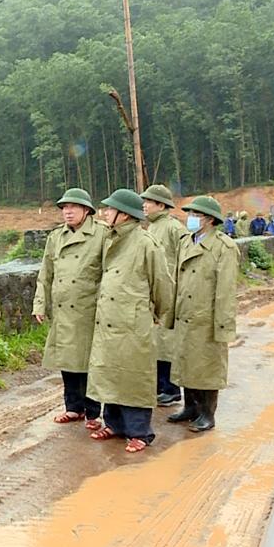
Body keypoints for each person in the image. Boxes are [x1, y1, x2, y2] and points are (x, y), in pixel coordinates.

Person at [87, 189, 174, 453]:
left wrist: (157, 315)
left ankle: (139, 432)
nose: (105, 213)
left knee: (134, 377)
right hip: (108, 320)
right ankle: (114, 424)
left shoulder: (145, 243)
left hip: (133, 322)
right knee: (110, 373)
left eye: (110, 209)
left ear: (124, 215)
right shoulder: (110, 239)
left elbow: (162, 285)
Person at [32, 188, 107, 431]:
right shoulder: (56, 236)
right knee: (67, 360)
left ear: (86, 210)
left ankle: (93, 412)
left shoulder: (102, 233)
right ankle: (73, 407)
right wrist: (40, 304)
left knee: (88, 362)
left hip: (88, 309)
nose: (68, 211)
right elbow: (46, 274)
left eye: (73, 207)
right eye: (64, 207)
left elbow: (110, 271)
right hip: (63, 310)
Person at [168, 196, 239, 432]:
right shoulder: (186, 242)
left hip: (206, 318)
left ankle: (207, 414)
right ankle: (190, 407)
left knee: (207, 367)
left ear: (209, 219)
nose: (190, 218)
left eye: (195, 214)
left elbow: (226, 291)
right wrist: (171, 314)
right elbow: (177, 280)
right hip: (185, 314)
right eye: (190, 214)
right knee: (187, 363)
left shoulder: (224, 247)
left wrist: (223, 326)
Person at [140, 184, 187, 406]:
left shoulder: (174, 228)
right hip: (155, 293)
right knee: (157, 343)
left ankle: (171, 389)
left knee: (167, 343)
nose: (144, 206)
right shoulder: (152, 227)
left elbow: (186, 260)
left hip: (171, 292)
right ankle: (160, 386)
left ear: (161, 205)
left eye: (148, 202)